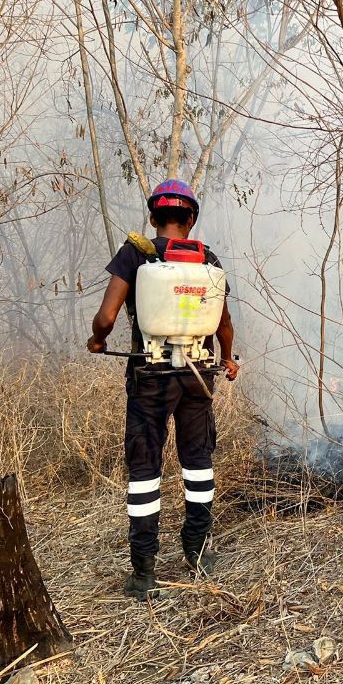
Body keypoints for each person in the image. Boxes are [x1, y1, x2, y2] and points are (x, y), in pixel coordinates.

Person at [86, 180, 239, 600]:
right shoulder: (208, 261)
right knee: (198, 463)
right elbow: (223, 323)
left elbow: (106, 317)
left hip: (149, 377)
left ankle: (144, 572)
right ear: (191, 219)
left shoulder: (136, 252)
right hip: (197, 377)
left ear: (153, 218)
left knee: (144, 472)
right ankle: (198, 553)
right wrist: (228, 358)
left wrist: (98, 340)